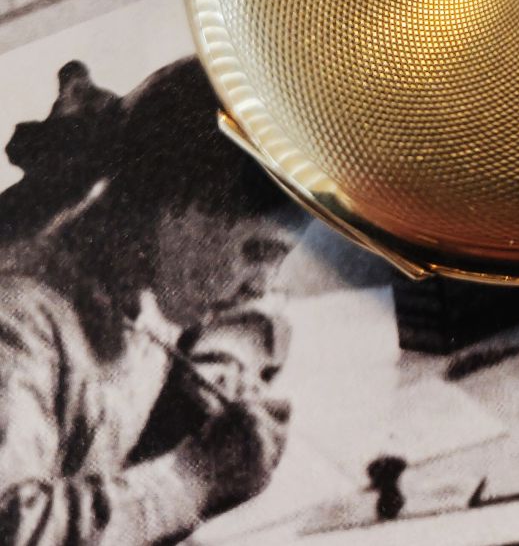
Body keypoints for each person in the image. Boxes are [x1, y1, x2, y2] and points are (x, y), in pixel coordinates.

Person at [0, 57, 305, 544]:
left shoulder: (158, 274)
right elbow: (12, 528)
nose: (262, 285)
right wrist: (195, 477)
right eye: (256, 252)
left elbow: (253, 314)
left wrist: (222, 361)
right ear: (177, 207)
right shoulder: (20, 323)